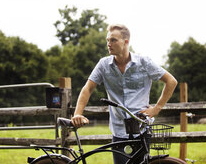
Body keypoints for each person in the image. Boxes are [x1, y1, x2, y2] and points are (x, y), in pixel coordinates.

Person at [72, 24, 178, 164]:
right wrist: (77, 114)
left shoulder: (144, 62)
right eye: (108, 40)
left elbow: (171, 81)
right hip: (119, 131)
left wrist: (156, 109)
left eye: (113, 40)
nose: (109, 44)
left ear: (126, 41)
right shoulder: (103, 65)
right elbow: (88, 88)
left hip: (141, 129)